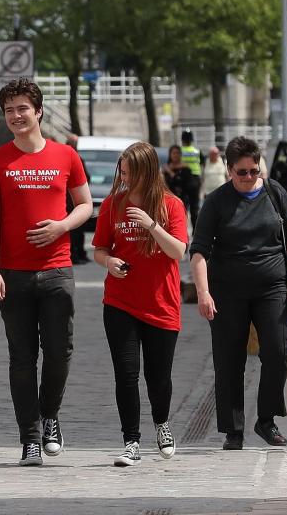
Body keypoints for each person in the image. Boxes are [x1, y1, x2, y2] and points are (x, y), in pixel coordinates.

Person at [0, 78, 92, 466]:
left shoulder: (65, 156)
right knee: (21, 358)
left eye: (22, 108)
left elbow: (85, 205)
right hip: (14, 273)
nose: (16, 116)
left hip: (58, 270)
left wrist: (62, 226)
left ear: (39, 110)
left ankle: (50, 416)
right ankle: (29, 437)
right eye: (9, 110)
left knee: (60, 353)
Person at [191, 136, 287, 450]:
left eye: (253, 170)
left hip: (272, 286)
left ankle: (265, 420)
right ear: (229, 170)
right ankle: (233, 429)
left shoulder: (274, 192)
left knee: (278, 351)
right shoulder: (216, 202)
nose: (248, 177)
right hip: (227, 291)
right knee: (229, 360)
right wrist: (203, 292)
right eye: (241, 172)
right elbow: (198, 252)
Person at [92, 142, 187, 467]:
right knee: (126, 374)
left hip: (161, 304)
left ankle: (162, 423)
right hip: (120, 302)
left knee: (158, 378)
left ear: (147, 172)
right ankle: (131, 441)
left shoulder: (172, 205)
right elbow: (99, 249)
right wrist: (109, 262)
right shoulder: (112, 204)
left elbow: (178, 252)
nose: (124, 178)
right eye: (123, 171)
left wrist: (150, 223)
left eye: (130, 172)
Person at [66, 134, 91, 264]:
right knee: (73, 232)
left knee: (78, 231)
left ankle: (79, 253)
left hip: (75, 203)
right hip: (67, 203)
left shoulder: (77, 158)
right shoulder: (69, 158)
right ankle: (75, 255)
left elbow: (85, 178)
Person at [180, 130, 203, 228]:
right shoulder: (197, 151)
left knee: (182, 206)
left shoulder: (179, 151)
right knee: (195, 206)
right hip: (195, 180)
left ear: (182, 139)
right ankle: (195, 230)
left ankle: (182, 229)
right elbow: (202, 164)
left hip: (182, 180)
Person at [163, 145, 191, 211]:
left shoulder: (185, 168)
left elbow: (182, 182)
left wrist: (170, 172)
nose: (175, 155)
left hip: (182, 198)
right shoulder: (165, 168)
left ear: (180, 154)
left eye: (177, 153)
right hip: (169, 199)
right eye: (173, 153)